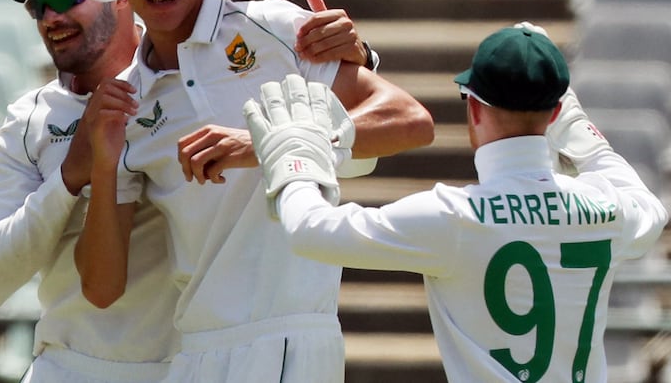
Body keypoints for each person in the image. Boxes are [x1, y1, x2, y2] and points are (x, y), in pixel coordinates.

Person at [61, 0, 435, 382]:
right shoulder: (123, 101)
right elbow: (102, 289)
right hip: (194, 352)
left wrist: (263, 145)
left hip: (295, 339)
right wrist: (104, 167)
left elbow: (409, 121)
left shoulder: (274, 28)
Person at [0, 0, 375, 383]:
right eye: (37, 7)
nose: (49, 18)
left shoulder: (207, 72)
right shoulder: (29, 121)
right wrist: (69, 179)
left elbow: (355, 156)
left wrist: (348, 65)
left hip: (195, 366)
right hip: (70, 367)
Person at [243, 24, 670, 382]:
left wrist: (296, 157)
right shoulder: (606, 208)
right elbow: (648, 206)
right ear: (555, 113)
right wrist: (580, 131)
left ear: (475, 109)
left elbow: (310, 230)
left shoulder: (453, 216)